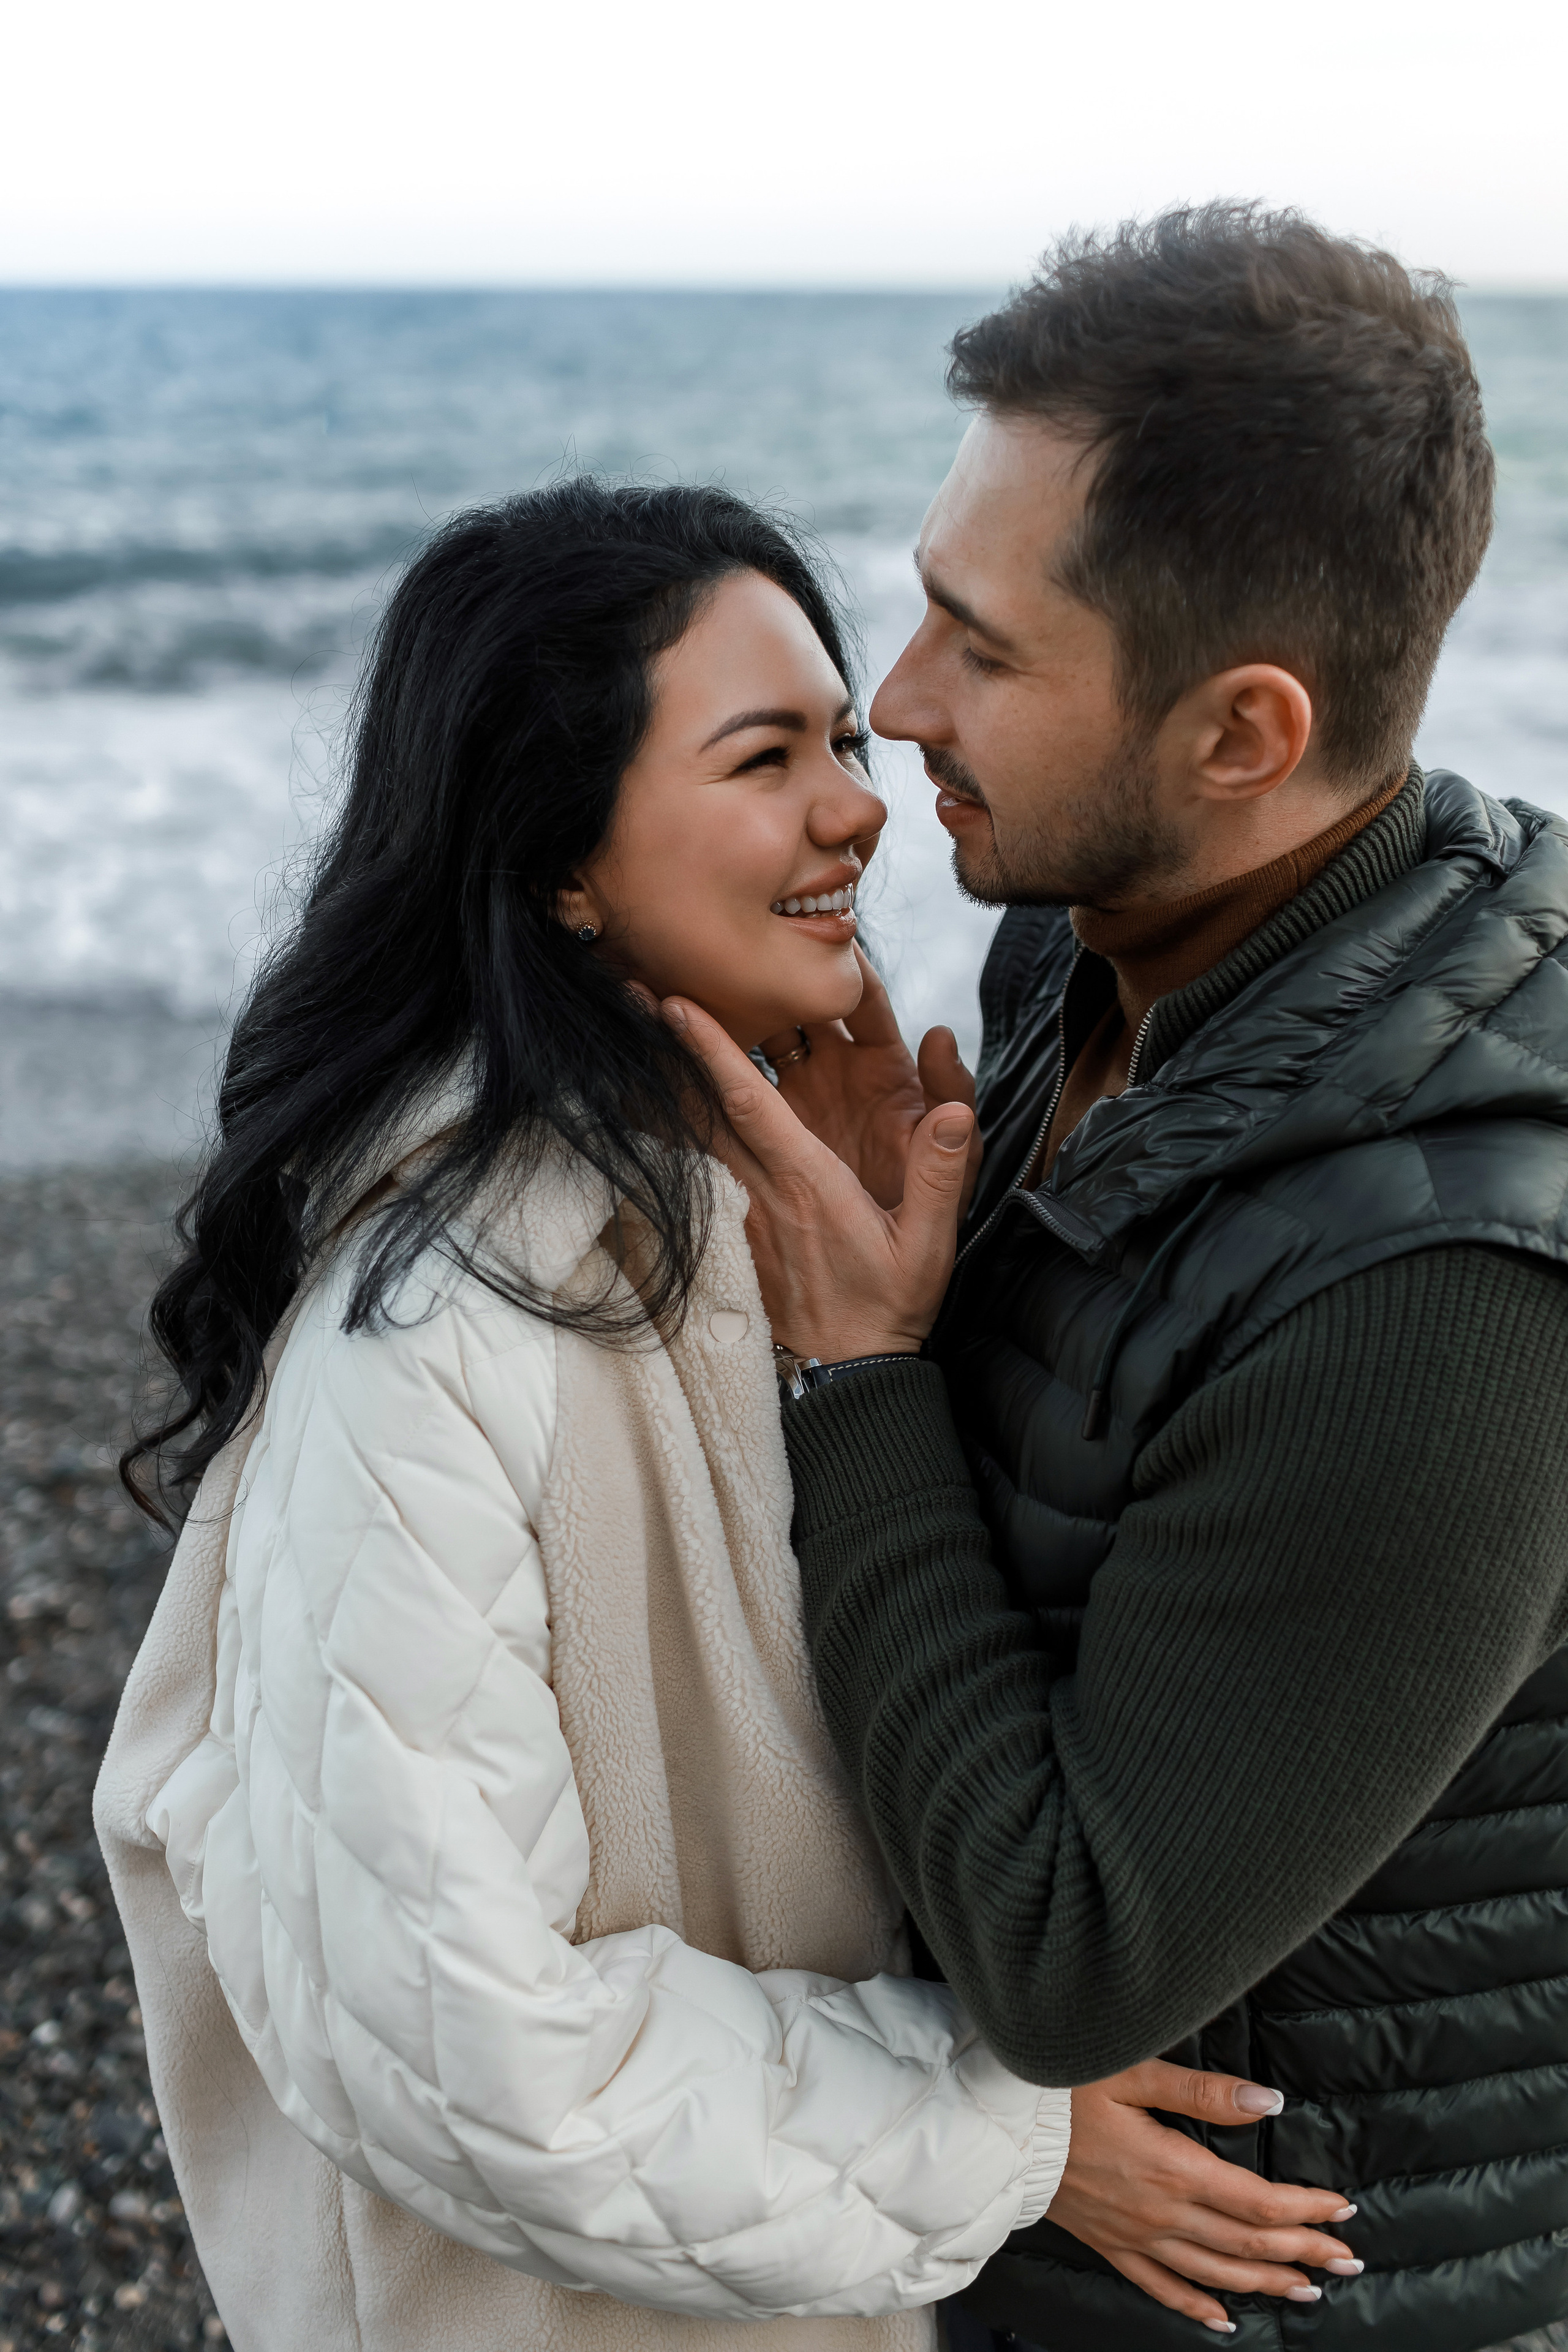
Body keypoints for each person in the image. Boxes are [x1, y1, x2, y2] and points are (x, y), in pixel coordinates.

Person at [92, 480, 1355, 2352]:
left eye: (845, 741)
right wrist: (1007, 2138)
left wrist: (885, 1331)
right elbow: (459, 2048)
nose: (859, 805)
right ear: (561, 863)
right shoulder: (432, 1333)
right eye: (767, 757)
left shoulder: (727, 1219)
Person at [666, 210, 1568, 2352]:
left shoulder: (1437, 1291)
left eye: (983, 649)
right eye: (923, 603)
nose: (898, 704)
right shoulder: (1094, 942)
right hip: (1021, 2242)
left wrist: (859, 1372)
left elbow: (1072, 1958)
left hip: (1288, 2299)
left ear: (1243, 734)